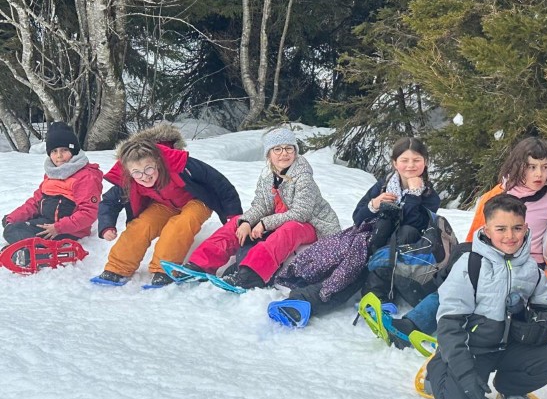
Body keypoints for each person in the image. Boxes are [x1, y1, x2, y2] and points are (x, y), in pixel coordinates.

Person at [425, 194, 547, 399]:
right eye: (501, 229)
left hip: (507, 347)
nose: (510, 236)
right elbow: (450, 323)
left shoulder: (531, 269)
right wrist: (464, 373)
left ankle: (510, 387)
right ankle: (439, 366)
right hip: (473, 348)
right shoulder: (471, 264)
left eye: (517, 228)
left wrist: (536, 327)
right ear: (487, 230)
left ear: (526, 228)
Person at [181, 128, 340, 289]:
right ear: (269, 154)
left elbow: (301, 213)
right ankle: (200, 265)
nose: (283, 153)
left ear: (295, 151)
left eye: (288, 148)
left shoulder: (303, 176)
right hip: (282, 218)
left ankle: (253, 274)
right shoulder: (268, 176)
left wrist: (264, 224)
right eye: (277, 149)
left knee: (291, 229)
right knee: (237, 222)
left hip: (313, 224)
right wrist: (246, 222)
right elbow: (261, 205)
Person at [94, 124, 242, 286]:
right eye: (137, 173)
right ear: (129, 172)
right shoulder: (128, 180)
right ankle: (118, 268)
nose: (144, 177)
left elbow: (219, 183)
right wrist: (107, 225)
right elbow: (109, 201)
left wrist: (233, 217)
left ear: (157, 162)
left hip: (198, 201)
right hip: (163, 204)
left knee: (179, 225)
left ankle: (165, 270)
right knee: (142, 225)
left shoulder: (181, 164)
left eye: (149, 169)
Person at [466, 137, 547, 277]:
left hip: (537, 266)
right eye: (531, 167)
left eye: (544, 167)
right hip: (500, 263)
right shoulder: (496, 196)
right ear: (518, 166)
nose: (539, 173)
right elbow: (475, 238)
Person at [2, 123, 103, 264]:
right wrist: (13, 217)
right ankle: (24, 247)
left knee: (12, 231)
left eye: (64, 150)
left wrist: (59, 227)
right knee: (11, 226)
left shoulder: (85, 177)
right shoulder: (51, 174)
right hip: (47, 223)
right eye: (54, 151)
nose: (59, 156)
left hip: (68, 230)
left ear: (73, 151)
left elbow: (89, 212)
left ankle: (41, 254)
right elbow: (35, 202)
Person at [352, 137, 441, 255]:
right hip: (372, 247)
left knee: (407, 231)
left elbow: (415, 226)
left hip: (406, 256)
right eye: (404, 160)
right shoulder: (384, 185)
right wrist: (373, 205)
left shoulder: (430, 196)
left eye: (416, 160)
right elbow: (357, 218)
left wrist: (414, 195)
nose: (411, 165)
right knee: (383, 224)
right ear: (395, 163)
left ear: (425, 162)